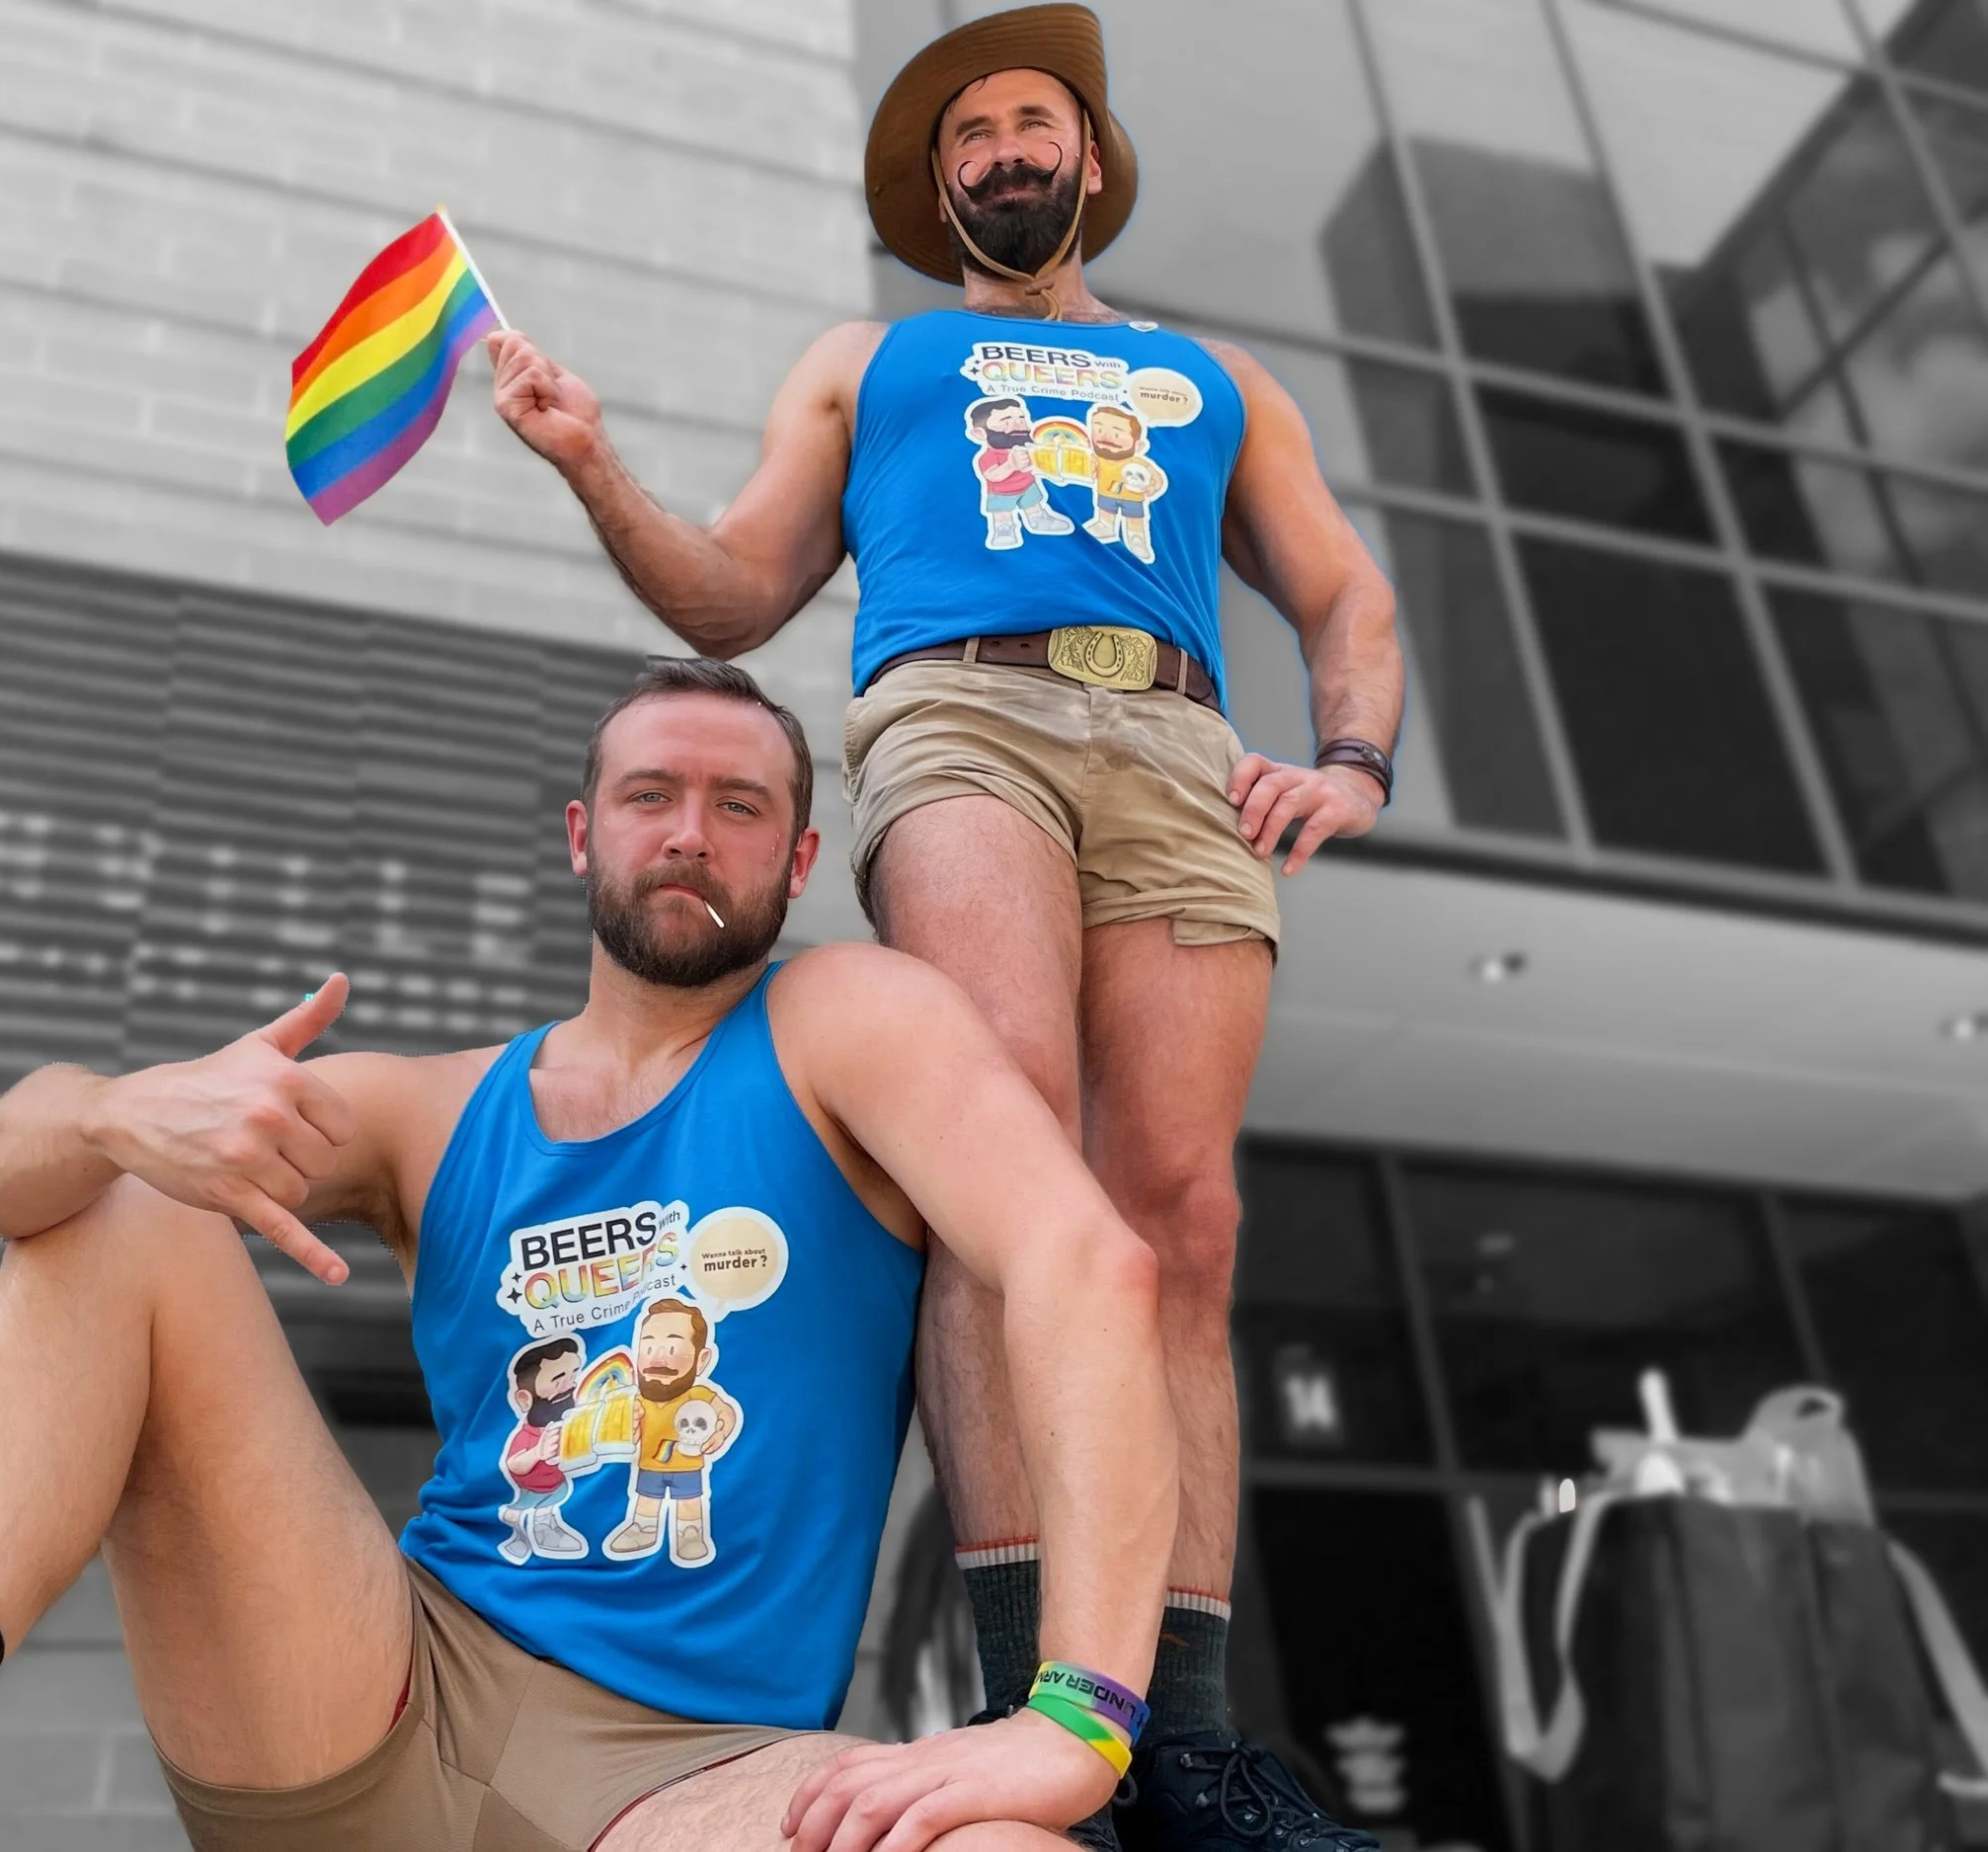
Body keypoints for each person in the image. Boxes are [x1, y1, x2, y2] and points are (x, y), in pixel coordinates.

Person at [0, 660, 1179, 1852]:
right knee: (128, 1194)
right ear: (584, 833)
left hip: (696, 1777)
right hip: (380, 1693)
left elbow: (1082, 1267)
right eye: (651, 794)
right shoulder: (439, 1115)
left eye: (740, 803)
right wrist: (110, 1106)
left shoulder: (846, 1021)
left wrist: (1082, 1715)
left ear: (800, 854)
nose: (690, 831)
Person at [484, 7, 1402, 1846]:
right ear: (938, 185)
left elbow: (1339, 583)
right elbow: (740, 589)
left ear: (1086, 158)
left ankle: (1189, 1737)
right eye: (967, 132)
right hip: (958, 713)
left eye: (1029, 122)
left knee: (1182, 1216)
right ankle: (1026, 1684)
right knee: (1010, 1160)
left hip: (1175, 735)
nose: (999, 149)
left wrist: (1355, 753)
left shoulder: (1217, 380)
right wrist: (591, 462)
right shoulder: (868, 360)